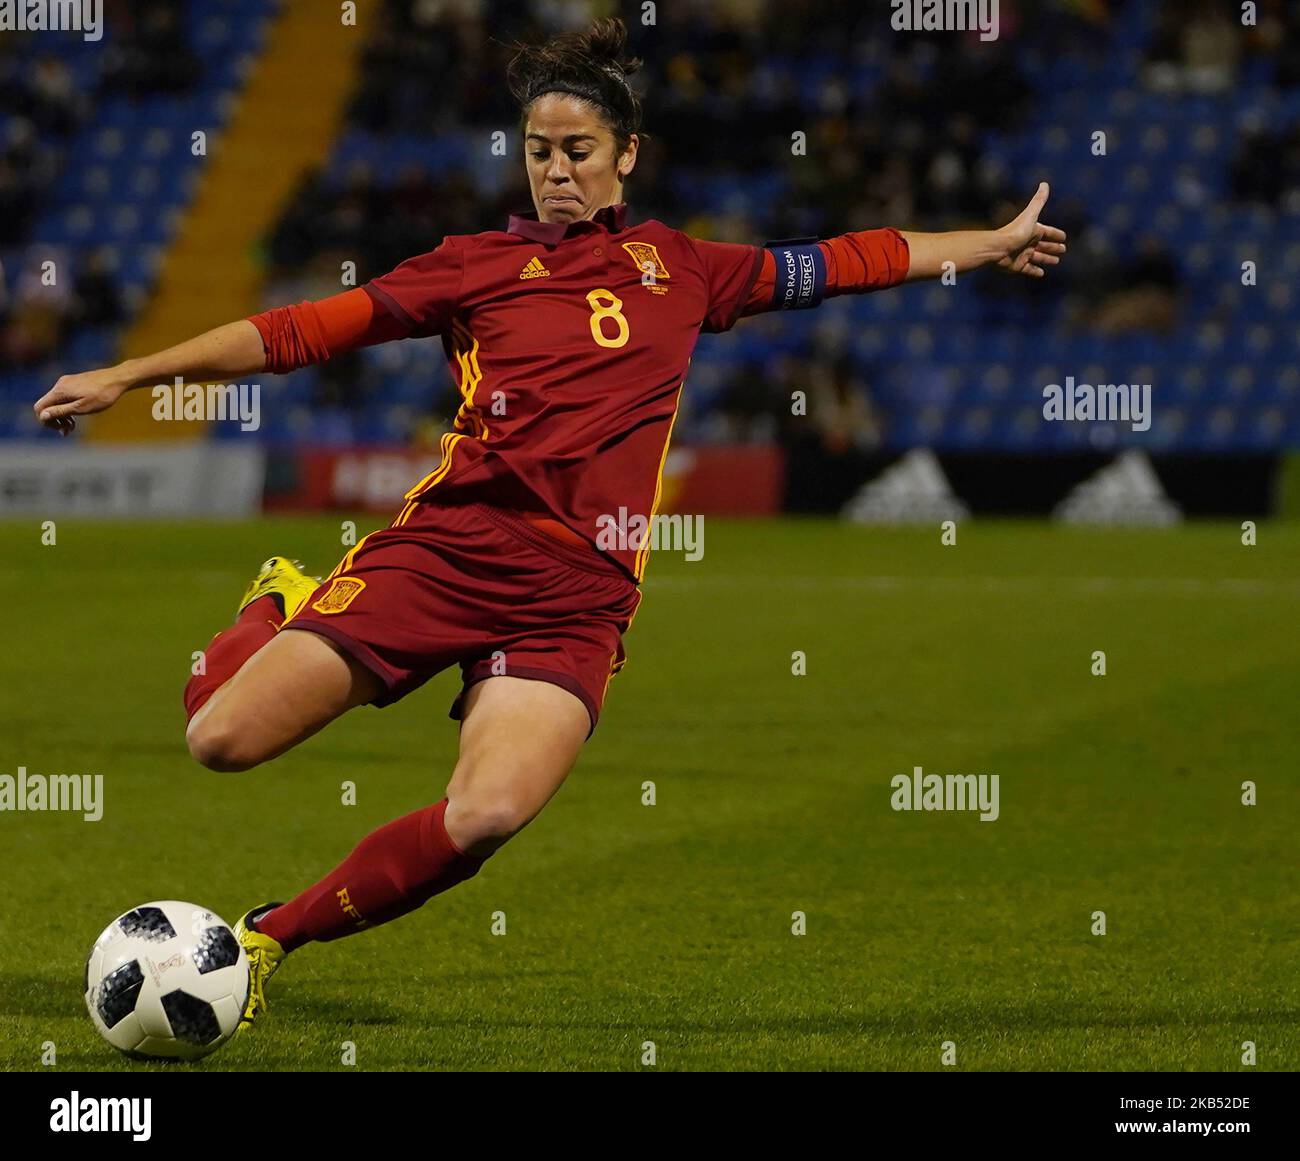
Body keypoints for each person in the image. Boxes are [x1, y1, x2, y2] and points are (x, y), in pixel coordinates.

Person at [32, 18, 1065, 1030]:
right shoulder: (468, 266)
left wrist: (985, 244)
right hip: (448, 551)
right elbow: (296, 331)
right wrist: (134, 371)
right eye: (538, 152)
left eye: (577, 151)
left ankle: (265, 941)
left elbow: (851, 258)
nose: (555, 172)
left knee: (485, 816)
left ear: (626, 156)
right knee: (219, 741)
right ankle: (280, 602)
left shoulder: (687, 268)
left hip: (576, 601)